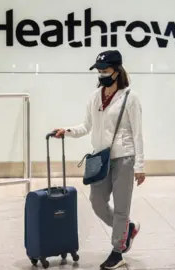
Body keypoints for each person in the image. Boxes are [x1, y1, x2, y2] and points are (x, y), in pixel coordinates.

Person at [53, 50, 145, 269]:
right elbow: (86, 126)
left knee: (122, 207)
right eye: (99, 70)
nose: (101, 74)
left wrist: (140, 165)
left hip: (124, 159)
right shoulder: (94, 97)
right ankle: (127, 230)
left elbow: (138, 133)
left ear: (117, 71)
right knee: (97, 203)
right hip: (100, 159)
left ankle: (117, 251)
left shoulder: (130, 98)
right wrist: (66, 130)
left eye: (105, 70)